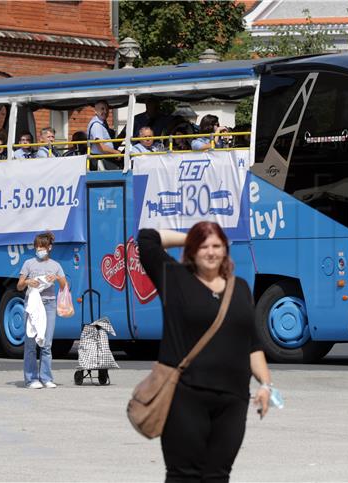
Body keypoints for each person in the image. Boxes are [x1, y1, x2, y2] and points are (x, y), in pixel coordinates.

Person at [138, 223, 273, 481]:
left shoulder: (241, 288)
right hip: (186, 398)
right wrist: (191, 237)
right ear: (192, 250)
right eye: (203, 246)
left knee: (218, 476)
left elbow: (252, 345)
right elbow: (147, 238)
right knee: (184, 476)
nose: (210, 252)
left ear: (225, 250)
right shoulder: (174, 278)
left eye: (216, 245)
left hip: (232, 402)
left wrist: (266, 385)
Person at [16, 232, 67, 389]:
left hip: (49, 305)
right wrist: (27, 281)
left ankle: (46, 378)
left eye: (42, 247)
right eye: (37, 246)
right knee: (31, 342)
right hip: (32, 305)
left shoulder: (55, 265)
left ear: (49, 247)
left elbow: (64, 285)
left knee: (46, 343)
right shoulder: (28, 263)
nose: (39, 249)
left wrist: (56, 279)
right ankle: (31, 379)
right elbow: (19, 286)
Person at [87, 100, 120, 170]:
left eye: (107, 109)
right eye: (102, 109)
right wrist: (116, 152)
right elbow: (102, 148)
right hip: (99, 160)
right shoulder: (96, 125)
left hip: (103, 158)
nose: (105, 111)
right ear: (95, 111)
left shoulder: (102, 123)